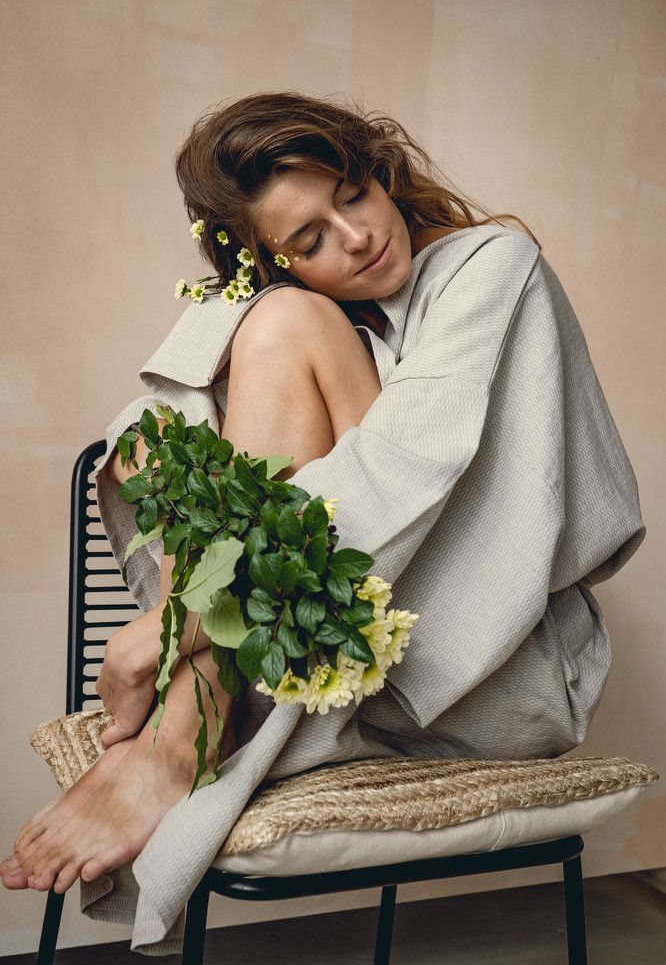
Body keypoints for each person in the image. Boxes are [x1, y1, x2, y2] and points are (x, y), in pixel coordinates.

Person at [0, 92, 645, 954]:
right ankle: (187, 722)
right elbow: (150, 438)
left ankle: (180, 730)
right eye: (307, 242)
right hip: (334, 663)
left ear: (380, 171)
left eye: (354, 193)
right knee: (242, 363)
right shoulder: (298, 310)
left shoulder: (494, 265)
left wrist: (178, 620)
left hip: (490, 674)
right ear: (272, 257)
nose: (357, 236)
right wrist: (234, 330)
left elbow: (403, 468)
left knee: (284, 326)